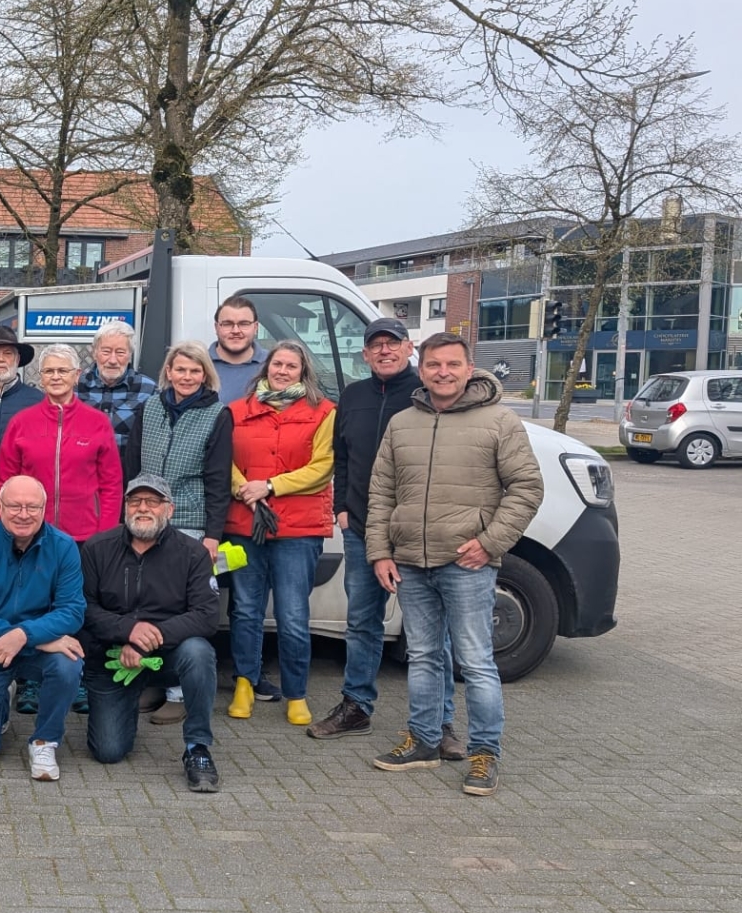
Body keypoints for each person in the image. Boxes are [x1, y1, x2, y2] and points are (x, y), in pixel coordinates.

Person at [367, 334, 542, 797]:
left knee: (476, 662)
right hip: (410, 561)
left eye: (452, 364)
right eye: (433, 365)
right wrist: (380, 551)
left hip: (466, 563)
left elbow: (526, 488)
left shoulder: (500, 422)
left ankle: (485, 754)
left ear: (469, 369)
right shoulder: (403, 423)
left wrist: (490, 543)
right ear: (420, 370)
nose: (442, 372)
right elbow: (381, 493)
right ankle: (424, 742)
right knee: (423, 656)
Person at [308, 318, 456, 747]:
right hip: (361, 528)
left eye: (393, 344)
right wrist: (340, 507)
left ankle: (440, 722)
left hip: (415, 529)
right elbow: (341, 457)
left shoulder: (427, 397)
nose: (385, 351)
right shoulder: (352, 396)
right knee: (361, 622)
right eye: (376, 346)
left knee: (431, 632)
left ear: (410, 348)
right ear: (365, 354)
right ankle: (356, 706)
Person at [77, 476, 223, 792]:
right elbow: (83, 608)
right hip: (111, 658)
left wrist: (149, 638)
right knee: (108, 751)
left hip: (168, 654)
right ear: (124, 508)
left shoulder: (193, 553)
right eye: (135, 501)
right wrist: (127, 630)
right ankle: (126, 706)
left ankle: (197, 747)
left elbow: (207, 616)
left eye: (153, 501)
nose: (143, 508)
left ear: (169, 510)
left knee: (199, 652)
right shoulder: (96, 549)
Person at [223, 340, 337, 726]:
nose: (283, 370)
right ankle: (244, 682)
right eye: (277, 364)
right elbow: (225, 461)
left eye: (291, 365)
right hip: (243, 525)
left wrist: (269, 486)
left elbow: (323, 467)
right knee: (245, 609)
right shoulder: (237, 412)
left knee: (292, 614)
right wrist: (245, 490)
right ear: (265, 367)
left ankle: (296, 692)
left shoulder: (324, 413)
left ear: (303, 372)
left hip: (298, 529)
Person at [121, 340, 234, 723]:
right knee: (147, 600)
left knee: (186, 606)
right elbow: (131, 464)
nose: (186, 377)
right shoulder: (148, 408)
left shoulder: (218, 414)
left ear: (205, 375)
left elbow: (219, 479)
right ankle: (154, 678)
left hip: (190, 520)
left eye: (195, 371)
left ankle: (179, 692)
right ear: (168, 371)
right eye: (180, 369)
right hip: (146, 518)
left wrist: (212, 534)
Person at [0, 476, 85, 781]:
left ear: (44, 508)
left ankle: (44, 741)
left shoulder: (64, 547)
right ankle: (0, 698)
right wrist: (39, 640)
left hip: (29, 649)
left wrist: (23, 636)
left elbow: (73, 611)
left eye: (32, 506)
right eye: (14, 505)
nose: (23, 514)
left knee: (68, 662)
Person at [0, 342, 123, 542]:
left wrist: (105, 534)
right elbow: (5, 480)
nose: (55, 377)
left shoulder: (98, 423)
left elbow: (111, 484)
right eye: (49, 371)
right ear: (41, 377)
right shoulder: (21, 423)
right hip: (33, 533)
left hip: (85, 536)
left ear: (76, 375)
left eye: (63, 370)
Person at [76, 320, 160, 452]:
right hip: (83, 469)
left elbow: (156, 440)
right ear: (94, 354)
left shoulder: (149, 390)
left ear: (130, 355)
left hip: (127, 470)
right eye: (106, 352)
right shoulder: (75, 387)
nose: (113, 360)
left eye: (120, 353)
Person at [211, 295, 267, 402]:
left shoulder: (273, 364)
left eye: (244, 324)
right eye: (227, 324)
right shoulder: (199, 364)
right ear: (217, 327)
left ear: (255, 328)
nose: (236, 331)